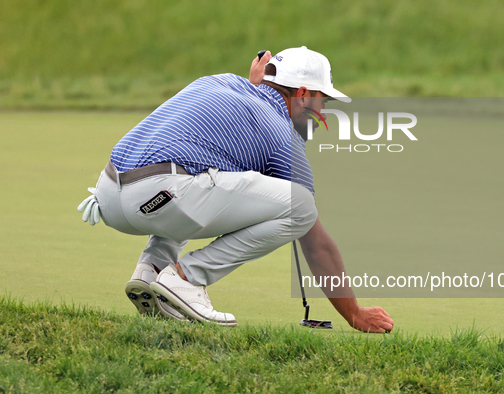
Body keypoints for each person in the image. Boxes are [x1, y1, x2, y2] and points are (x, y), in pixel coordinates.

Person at [77, 46, 394, 333]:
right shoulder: (283, 135)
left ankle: (151, 272)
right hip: (162, 192)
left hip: (108, 194)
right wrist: (354, 313)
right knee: (301, 207)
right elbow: (315, 241)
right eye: (321, 100)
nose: (322, 113)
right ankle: (186, 280)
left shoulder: (221, 82)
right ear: (302, 93)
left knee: (207, 170)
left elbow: (240, 119)